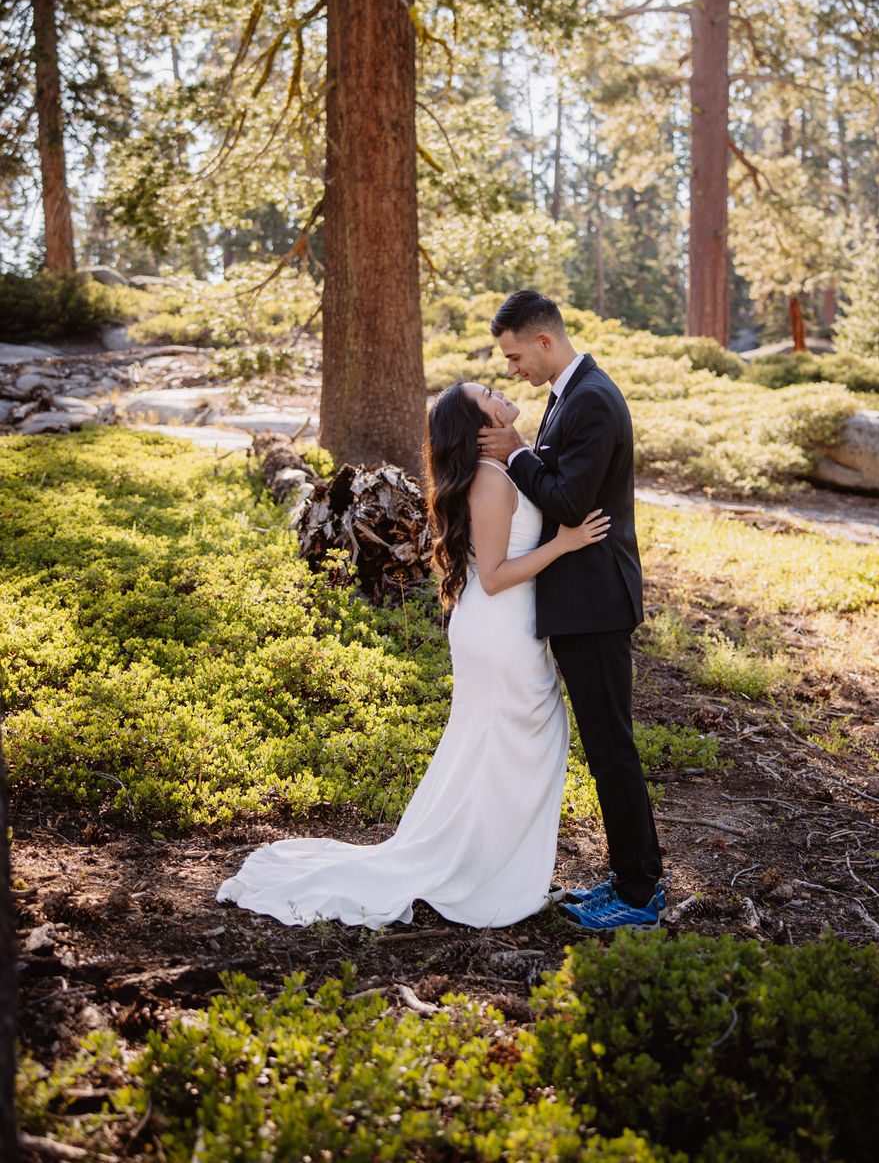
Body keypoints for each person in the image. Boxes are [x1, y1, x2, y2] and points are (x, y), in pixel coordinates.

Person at [216, 380, 608, 930]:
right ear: (477, 426)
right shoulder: (492, 482)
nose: (500, 391)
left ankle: (488, 862)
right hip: (499, 628)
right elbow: (494, 577)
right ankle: (484, 873)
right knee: (518, 745)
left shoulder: (503, 469)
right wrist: (563, 544)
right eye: (489, 393)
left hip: (503, 629)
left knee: (495, 748)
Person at [477, 288, 665, 930]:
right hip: (582, 600)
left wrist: (517, 454)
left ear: (544, 342)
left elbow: (569, 500)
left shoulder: (591, 399)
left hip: (596, 603)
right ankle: (627, 875)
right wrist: (528, 449)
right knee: (607, 742)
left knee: (611, 746)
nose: (511, 369)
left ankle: (640, 894)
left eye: (513, 355)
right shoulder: (570, 391)